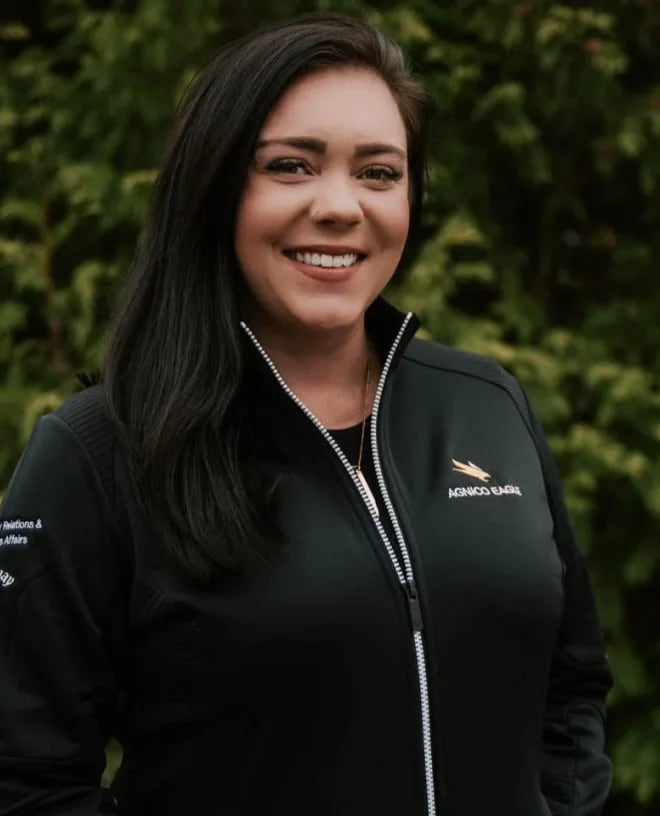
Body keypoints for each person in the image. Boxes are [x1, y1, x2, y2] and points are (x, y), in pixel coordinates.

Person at [0, 13, 612, 816]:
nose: (340, 206)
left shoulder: (486, 406)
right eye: (290, 166)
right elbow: (26, 782)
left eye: (379, 172)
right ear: (216, 187)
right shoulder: (98, 452)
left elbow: (571, 689)